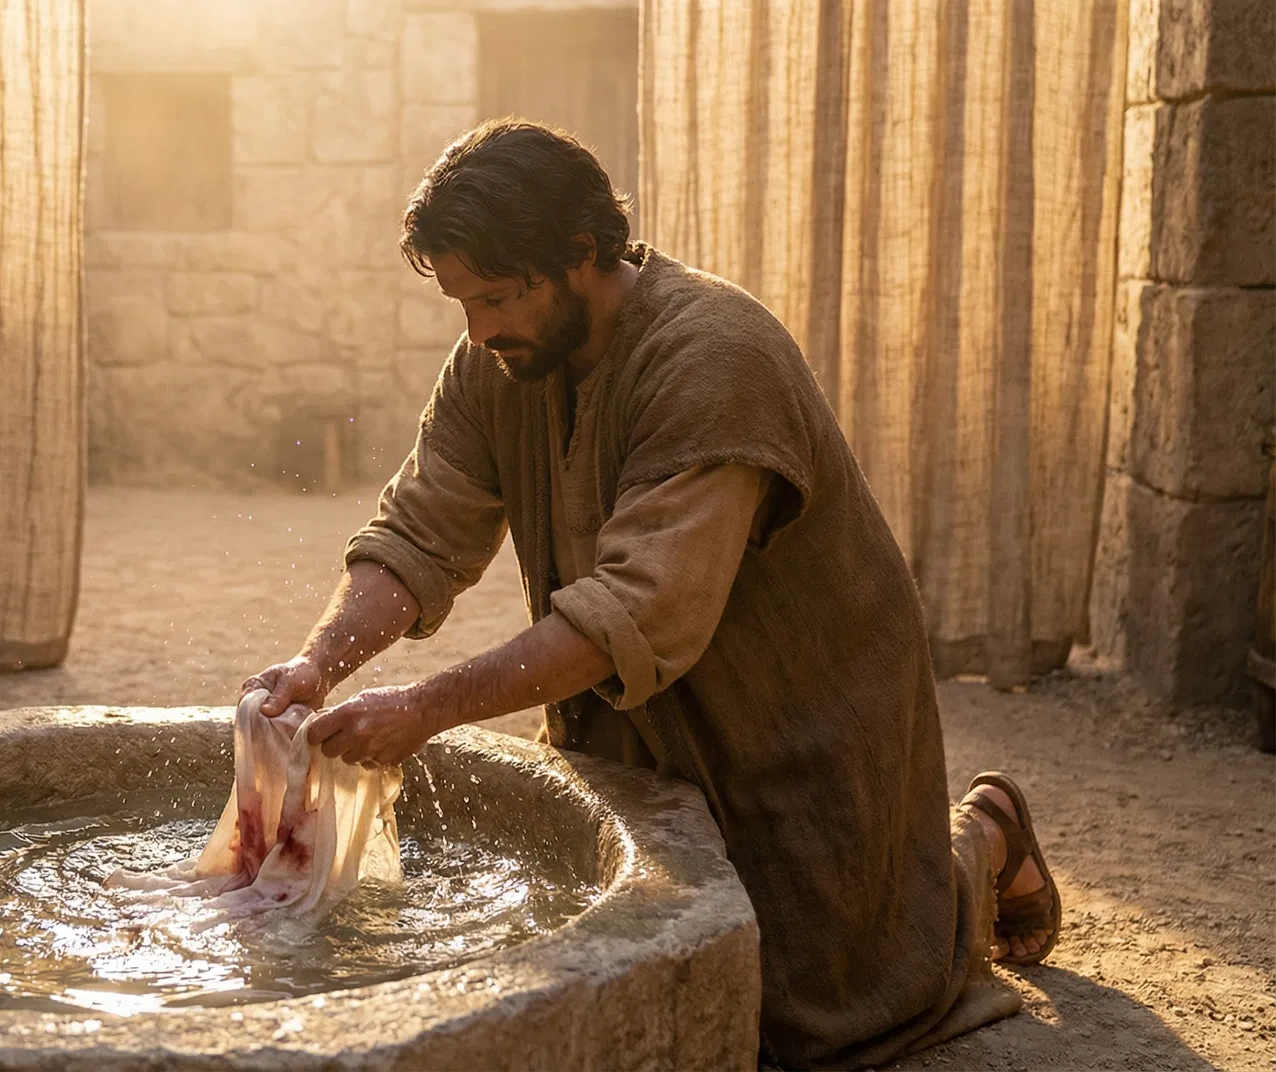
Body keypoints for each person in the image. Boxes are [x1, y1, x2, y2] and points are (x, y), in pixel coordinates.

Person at [241, 120, 1062, 1068]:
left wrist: (422, 709)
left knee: (813, 1011)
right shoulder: (498, 362)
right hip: (631, 728)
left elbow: (638, 607)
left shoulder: (714, 357)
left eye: (497, 297)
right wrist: (320, 662)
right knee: (624, 972)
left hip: (796, 728)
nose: (478, 329)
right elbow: (420, 532)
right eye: (462, 303)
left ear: (581, 254)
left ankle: (981, 835)